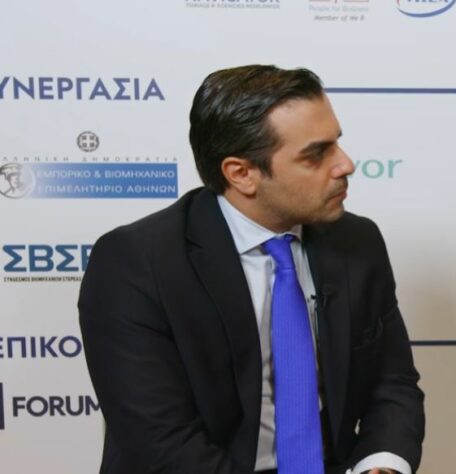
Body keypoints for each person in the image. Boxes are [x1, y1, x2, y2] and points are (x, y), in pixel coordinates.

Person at [79, 65, 424, 474]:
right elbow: (161, 444)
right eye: (316, 154)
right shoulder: (136, 262)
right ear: (241, 173)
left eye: (337, 143)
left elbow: (392, 383)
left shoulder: (357, 241)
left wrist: (381, 466)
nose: (345, 164)